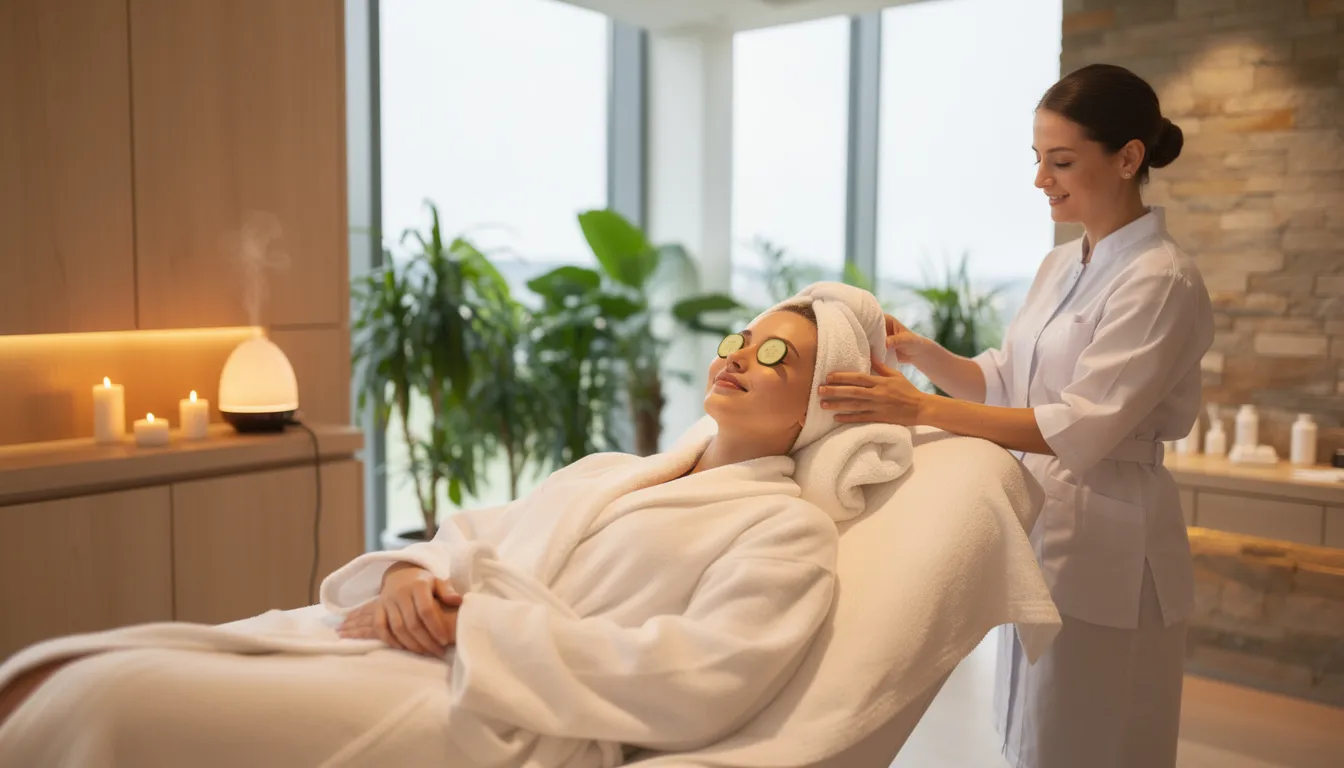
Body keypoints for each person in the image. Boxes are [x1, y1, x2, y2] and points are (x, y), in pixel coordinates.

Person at [0, 287, 891, 768]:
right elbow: (466, 534)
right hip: (409, 648)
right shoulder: (612, 473)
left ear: (824, 402)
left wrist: (481, 628)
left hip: (499, 710)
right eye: (742, 337)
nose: (738, 355)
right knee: (74, 670)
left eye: (777, 355)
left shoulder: (786, 531)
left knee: (110, 704)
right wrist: (403, 582)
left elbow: (702, 676)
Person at [817, 63, 1213, 768]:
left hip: (1113, 543)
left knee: (1092, 737)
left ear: (1128, 158)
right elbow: (1004, 380)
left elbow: (1083, 424)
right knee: (1032, 732)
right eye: (1038, 159)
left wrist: (917, 409)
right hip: (1043, 524)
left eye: (1061, 162)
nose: (1041, 180)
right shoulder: (1061, 265)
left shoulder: (1161, 278)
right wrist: (912, 350)